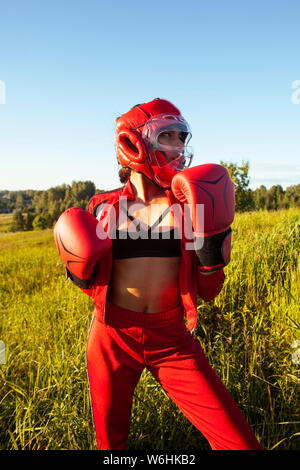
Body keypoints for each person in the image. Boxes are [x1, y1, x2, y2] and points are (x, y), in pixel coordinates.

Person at [53, 98, 262, 451]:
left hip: (172, 341)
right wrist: (78, 270)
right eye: (168, 136)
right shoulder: (104, 207)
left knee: (239, 443)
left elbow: (209, 291)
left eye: (183, 138)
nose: (180, 147)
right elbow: (91, 284)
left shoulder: (191, 205)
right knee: (111, 446)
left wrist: (212, 252)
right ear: (133, 143)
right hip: (112, 339)